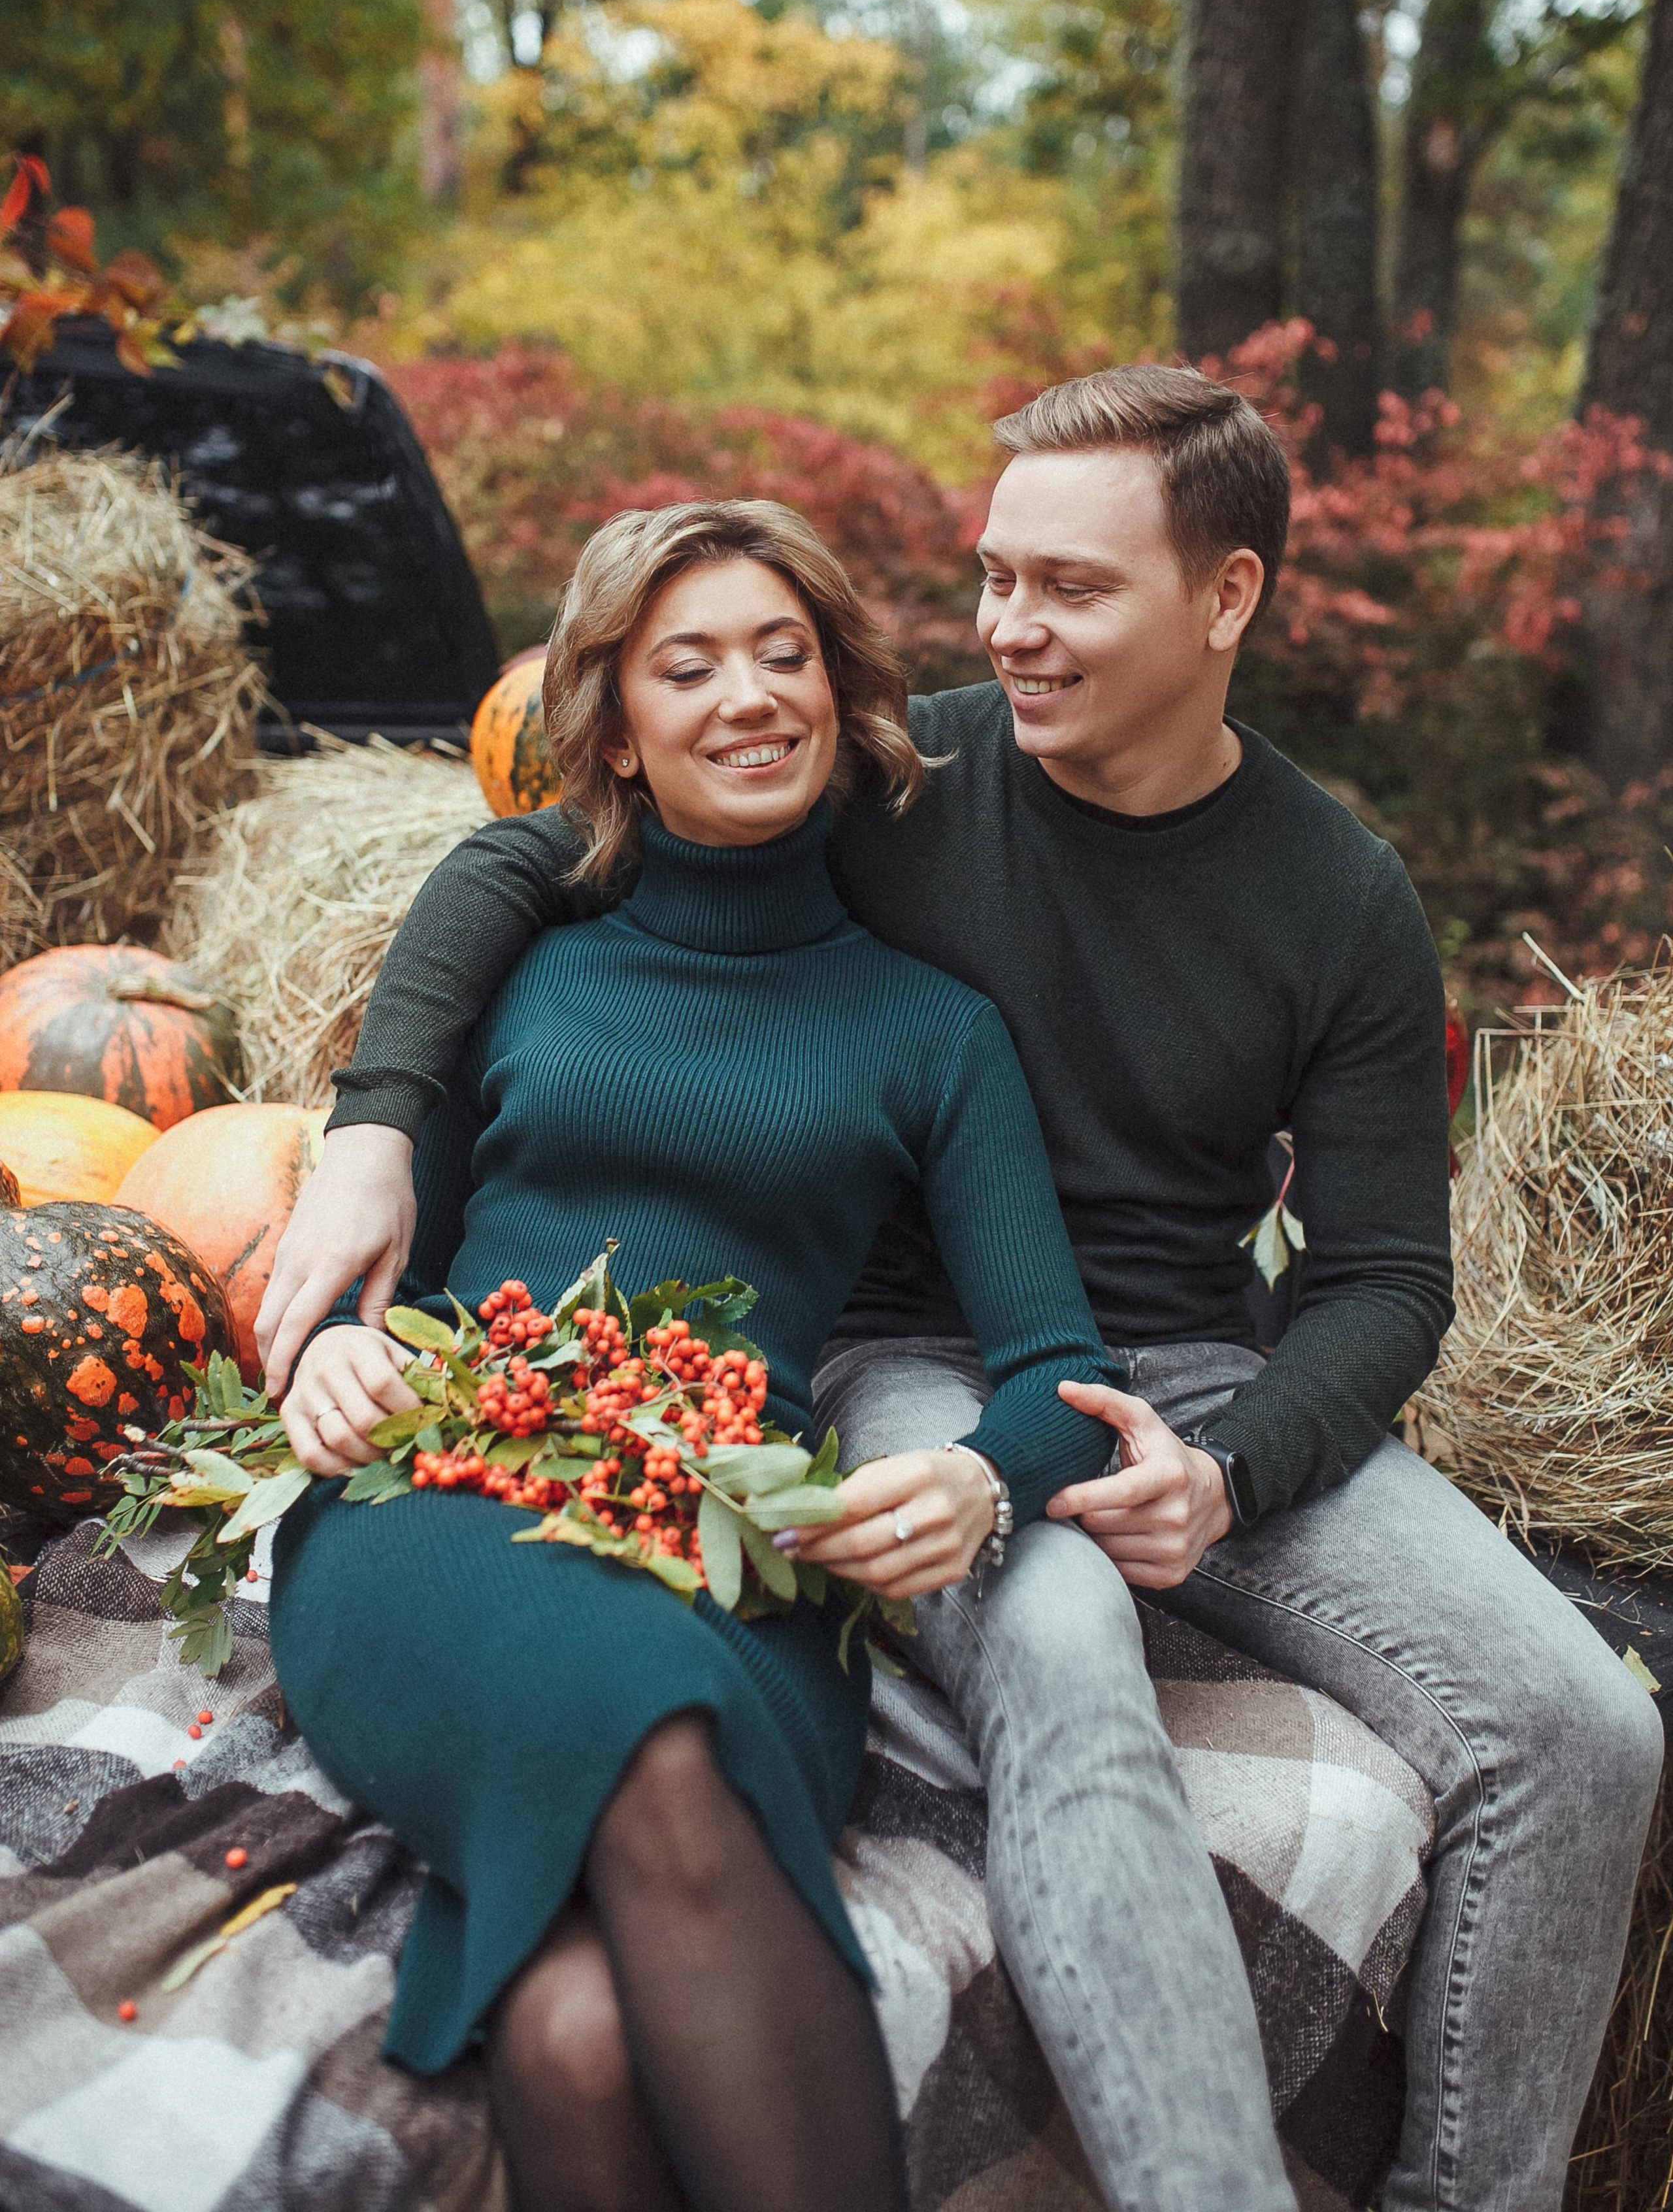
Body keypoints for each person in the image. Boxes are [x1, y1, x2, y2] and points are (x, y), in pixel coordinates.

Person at [262, 366, 1665, 2212]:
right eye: (997, 578)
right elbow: (549, 842)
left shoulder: (1342, 896)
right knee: (1071, 1655)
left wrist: (1234, 1470)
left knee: (1594, 1727)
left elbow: (1391, 1280)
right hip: (919, 1351)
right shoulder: (893, 774)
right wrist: (374, 1122)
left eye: (1068, 589)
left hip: (1201, 1380)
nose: (1010, 626)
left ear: (1225, 597)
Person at [268, 495, 1296, 2212]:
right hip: (451, 1491)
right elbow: (385, 1268)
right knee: (658, 1747)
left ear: (839, 689)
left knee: (584, 2029)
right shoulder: (524, 945)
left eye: (783, 653)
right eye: (689, 666)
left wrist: (984, 1474)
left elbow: (1058, 1366)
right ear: (612, 721)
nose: (747, 697)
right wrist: (325, 1367)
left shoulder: (931, 1028)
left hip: (725, 1530)